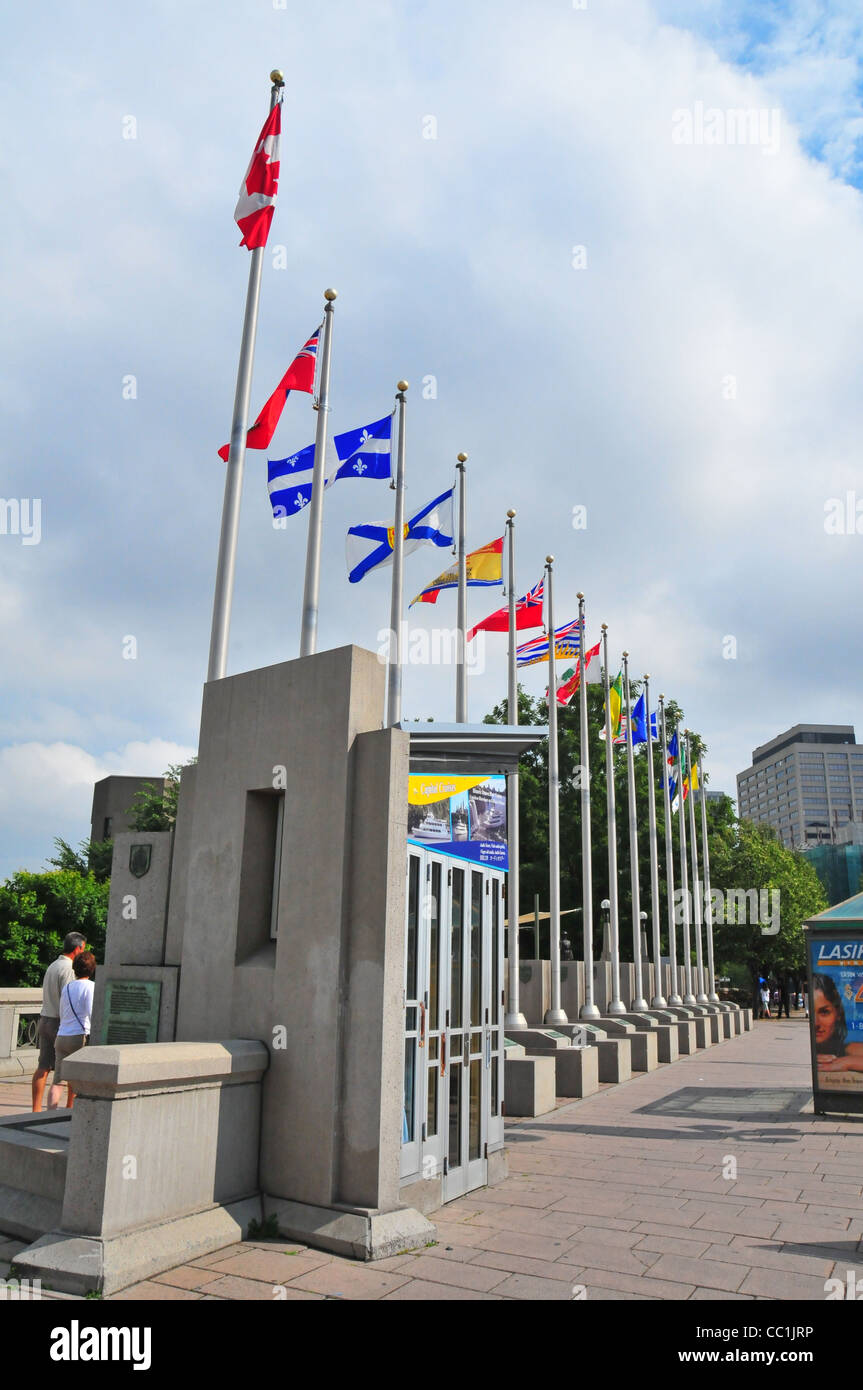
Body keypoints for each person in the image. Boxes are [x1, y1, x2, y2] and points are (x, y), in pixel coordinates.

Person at [32, 932, 86, 1111]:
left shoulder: (53, 965)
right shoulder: (70, 968)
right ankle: (70, 1107)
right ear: (77, 948)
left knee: (43, 1067)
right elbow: (69, 998)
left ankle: (36, 1110)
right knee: (70, 1069)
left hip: (44, 1019)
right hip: (60, 1024)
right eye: (83, 949)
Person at [46, 951, 96, 1110]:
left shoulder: (67, 987)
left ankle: (49, 1113)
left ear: (75, 968)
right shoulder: (91, 987)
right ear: (92, 969)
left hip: (62, 1036)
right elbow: (91, 1012)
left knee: (58, 1081)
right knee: (79, 1079)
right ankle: (72, 1111)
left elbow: (62, 1011)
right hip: (79, 1037)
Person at [812, 972, 863, 1075]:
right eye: (812, 1013)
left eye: (824, 1012)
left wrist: (849, 1061)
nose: (816, 1023)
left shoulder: (845, 1049)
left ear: (838, 1013)